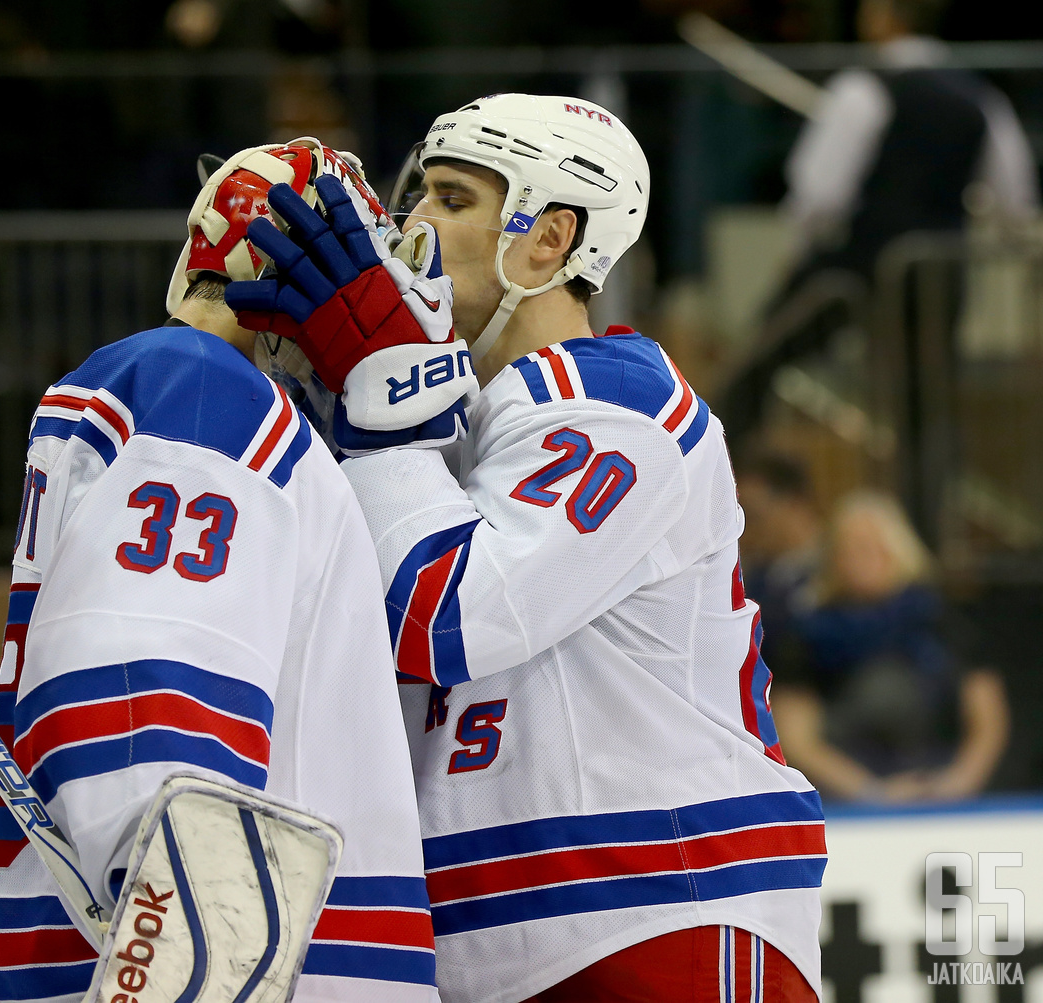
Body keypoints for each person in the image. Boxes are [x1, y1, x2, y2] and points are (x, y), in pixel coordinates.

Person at [227, 94, 826, 1003]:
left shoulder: (622, 404)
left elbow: (450, 619)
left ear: (547, 239)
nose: (413, 224)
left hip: (658, 913)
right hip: (488, 941)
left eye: (453, 198)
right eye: (420, 195)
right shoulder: (446, 411)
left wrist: (380, 413)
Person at [0, 140, 439, 1003]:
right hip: (223, 967)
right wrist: (182, 943)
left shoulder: (202, 401)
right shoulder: (207, 393)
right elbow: (146, 682)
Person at [718, 0, 1039, 446]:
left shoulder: (865, 88)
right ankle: (922, 512)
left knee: (759, 362)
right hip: (937, 277)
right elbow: (1015, 201)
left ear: (883, 17)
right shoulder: (981, 97)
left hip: (856, 268)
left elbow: (818, 194)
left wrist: (797, 252)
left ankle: (712, 481)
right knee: (925, 413)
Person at [771, 489, 1009, 802]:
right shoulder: (809, 633)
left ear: (898, 549)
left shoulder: (941, 620)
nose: (860, 559)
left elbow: (988, 718)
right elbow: (797, 738)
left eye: (872, 547)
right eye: (848, 548)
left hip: (944, 791)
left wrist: (955, 785)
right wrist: (873, 793)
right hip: (850, 804)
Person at [735, 453, 822, 678]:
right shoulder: (755, 577)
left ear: (793, 506)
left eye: (753, 516)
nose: (744, 530)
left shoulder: (838, 570)